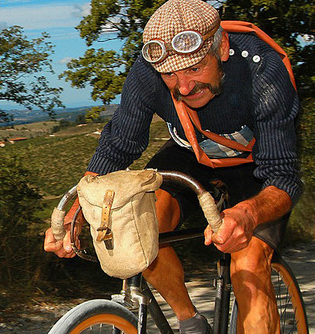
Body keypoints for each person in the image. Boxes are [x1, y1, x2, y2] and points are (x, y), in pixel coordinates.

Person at [44, 0, 301, 332]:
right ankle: (190, 321)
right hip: (190, 155)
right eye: (169, 74)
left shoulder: (263, 67)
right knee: (141, 230)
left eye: (194, 68)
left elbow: (282, 176)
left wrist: (248, 214)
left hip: (257, 166)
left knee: (248, 266)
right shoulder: (146, 71)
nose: (184, 87)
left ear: (222, 47)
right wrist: (76, 209)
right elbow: (120, 144)